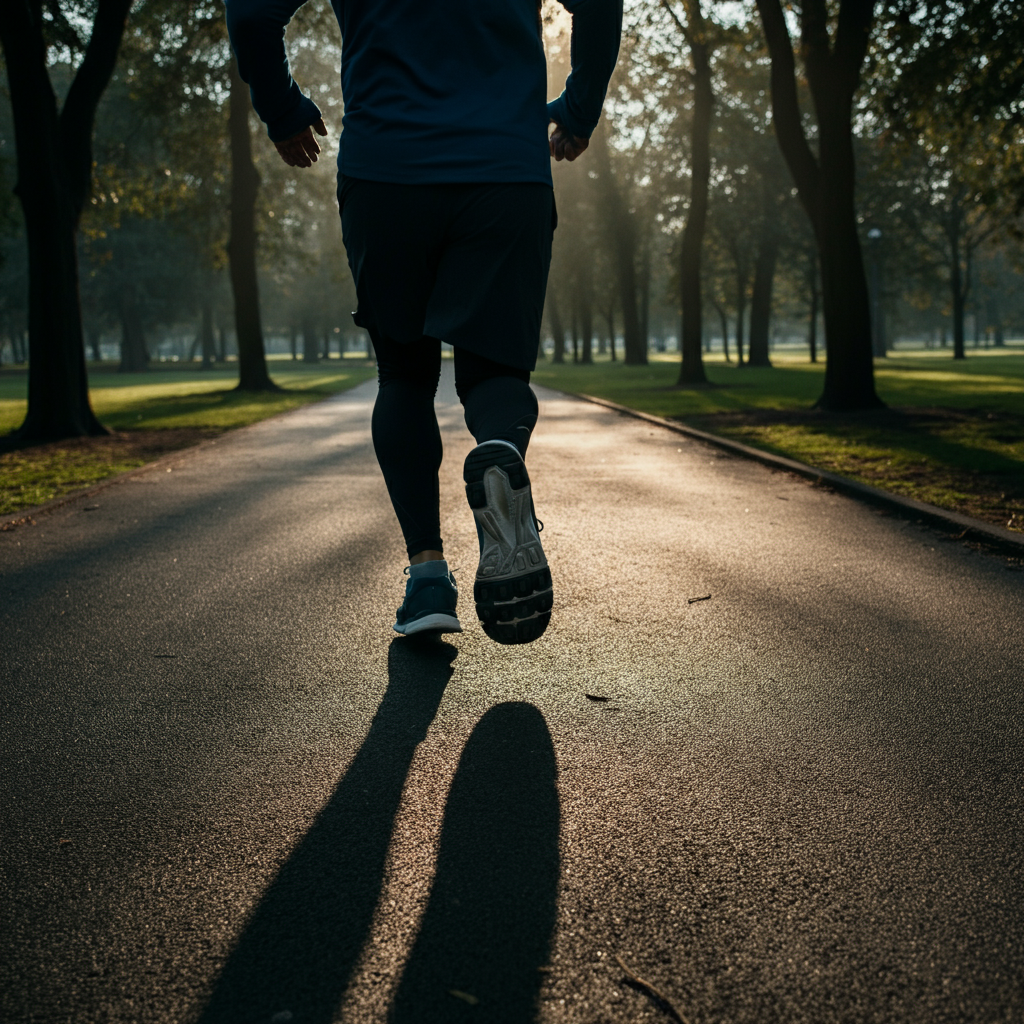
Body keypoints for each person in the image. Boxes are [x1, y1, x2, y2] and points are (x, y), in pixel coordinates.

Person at [225, 0, 621, 644]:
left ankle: (427, 577)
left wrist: (284, 108)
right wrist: (578, 110)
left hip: (387, 174)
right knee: (495, 372)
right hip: (506, 173)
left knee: (404, 374)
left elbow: (251, 14)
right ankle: (498, 453)